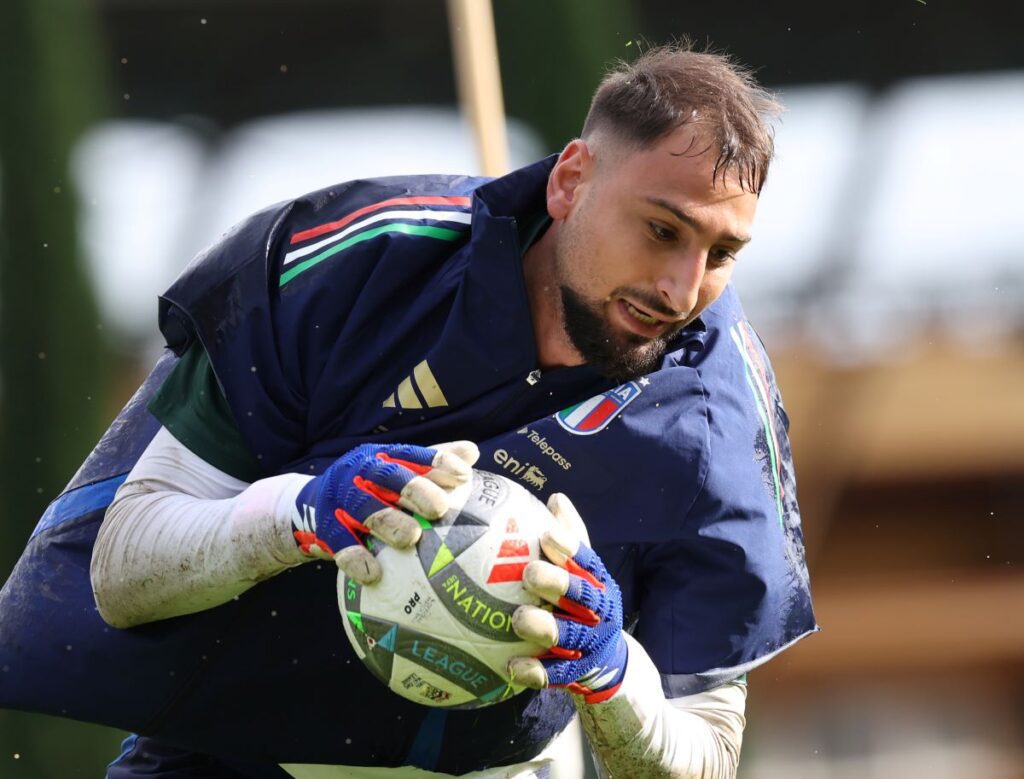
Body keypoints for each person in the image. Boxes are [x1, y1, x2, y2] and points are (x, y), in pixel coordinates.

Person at [0, 44, 815, 778]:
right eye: (662, 229)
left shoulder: (722, 421)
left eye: (722, 253)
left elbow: (707, 751)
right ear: (571, 180)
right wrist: (301, 514)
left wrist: (611, 670)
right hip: (226, 752)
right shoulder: (354, 262)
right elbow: (121, 573)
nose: (682, 288)